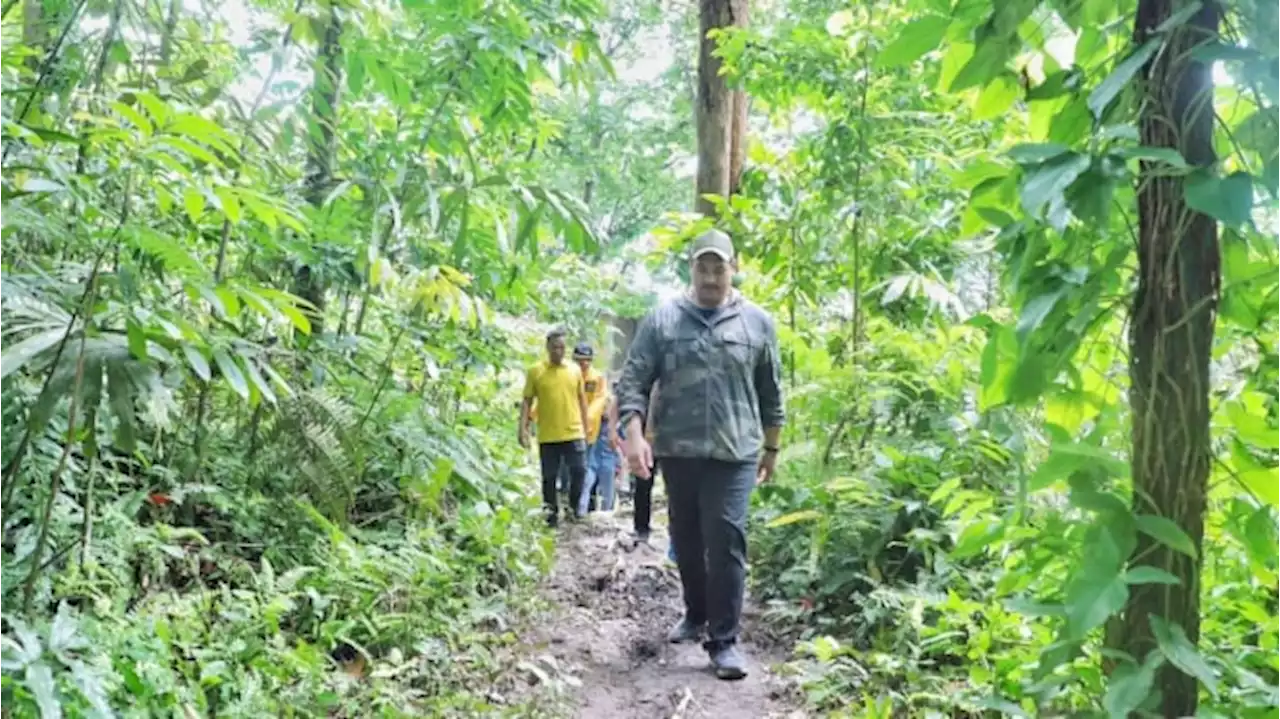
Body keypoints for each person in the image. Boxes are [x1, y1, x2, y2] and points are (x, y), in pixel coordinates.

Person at [616, 229, 785, 681]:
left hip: (736, 453)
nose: (711, 275)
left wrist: (772, 447)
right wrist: (633, 435)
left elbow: (771, 390)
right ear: (691, 269)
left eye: (720, 267)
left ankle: (724, 641)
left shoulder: (757, 323)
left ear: (733, 268)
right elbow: (632, 381)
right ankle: (695, 612)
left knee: (726, 539)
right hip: (678, 449)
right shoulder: (663, 320)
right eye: (702, 267)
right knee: (687, 540)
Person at [519, 328, 590, 527]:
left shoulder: (574, 370)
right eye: (555, 347)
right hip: (548, 434)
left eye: (562, 347)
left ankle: (574, 509)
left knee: (579, 470)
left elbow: (581, 399)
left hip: (573, 431)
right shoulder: (536, 371)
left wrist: (586, 427)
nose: (559, 351)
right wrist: (523, 428)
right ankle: (551, 516)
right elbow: (527, 401)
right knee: (549, 477)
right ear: (548, 348)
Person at [574, 344, 621, 515]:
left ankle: (601, 510)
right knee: (585, 473)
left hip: (593, 432)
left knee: (599, 473)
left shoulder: (597, 378)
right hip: (575, 430)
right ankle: (581, 508)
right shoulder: (570, 375)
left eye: (586, 360)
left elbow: (599, 403)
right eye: (580, 360)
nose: (583, 363)